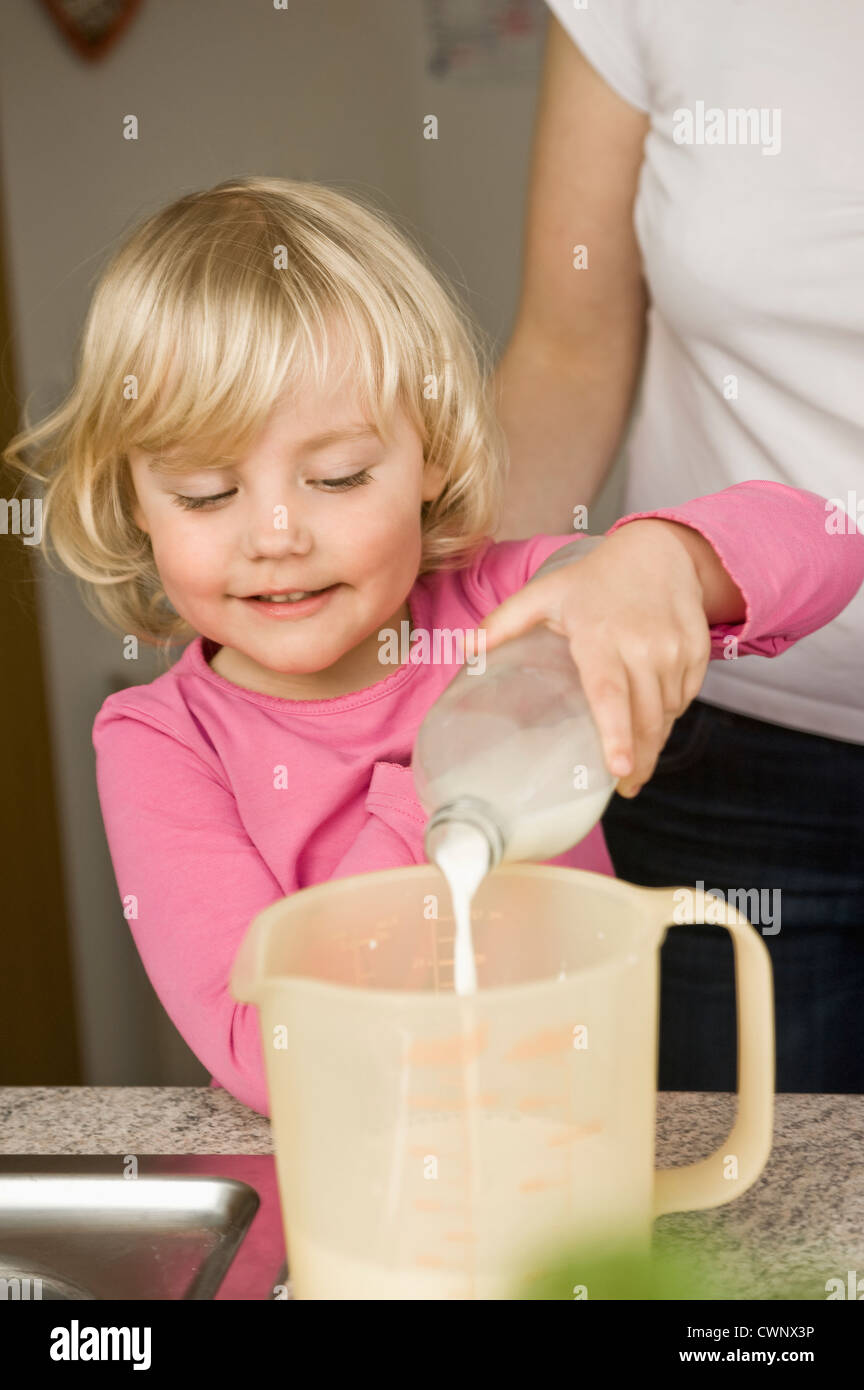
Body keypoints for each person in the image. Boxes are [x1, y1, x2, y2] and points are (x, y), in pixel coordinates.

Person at [5, 177, 863, 1115]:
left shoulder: (519, 612)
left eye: (337, 477)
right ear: (134, 499)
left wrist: (658, 560)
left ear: (434, 455)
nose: (277, 534)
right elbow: (267, 1052)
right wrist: (459, 782)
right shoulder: (160, 745)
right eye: (207, 493)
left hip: (575, 1153)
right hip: (361, 1206)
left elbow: (831, 536)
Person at [492, 3, 864, 1092]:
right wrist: (426, 622)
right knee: (726, 1235)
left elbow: (824, 541)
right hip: (719, 760)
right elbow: (566, 354)